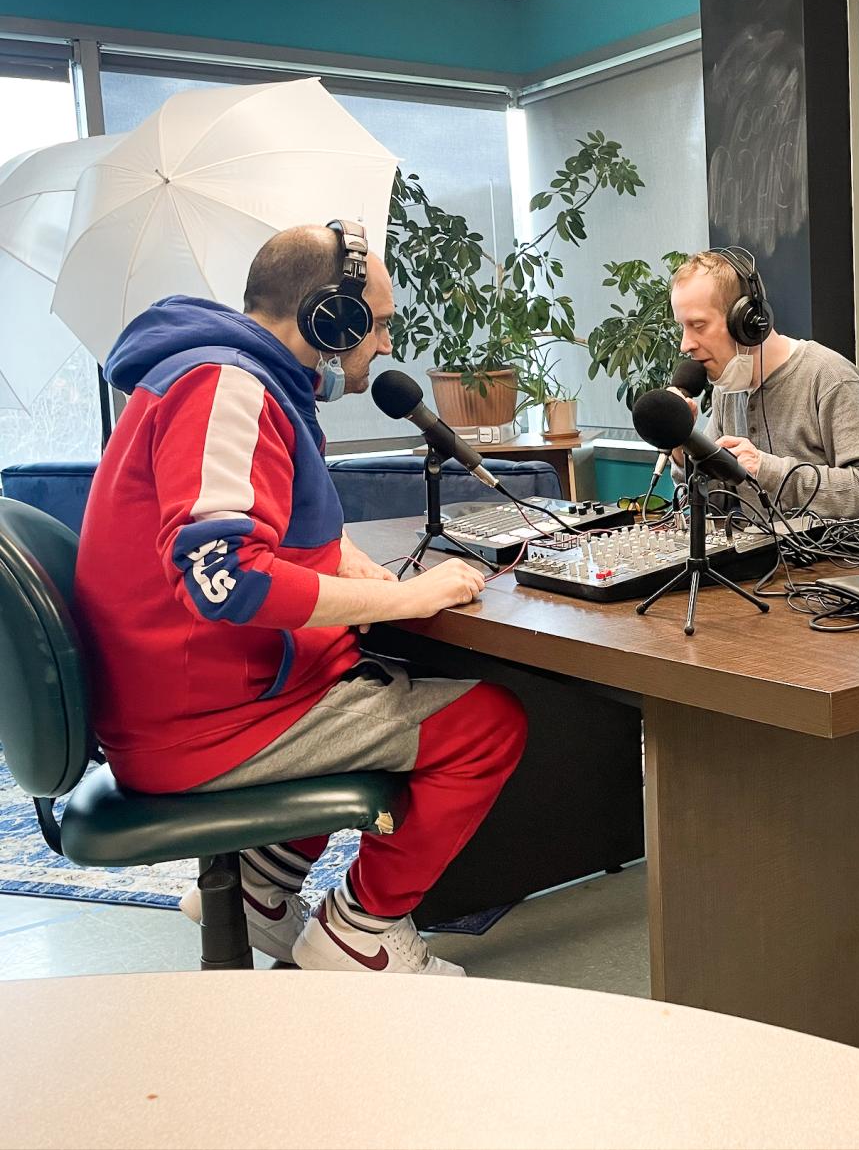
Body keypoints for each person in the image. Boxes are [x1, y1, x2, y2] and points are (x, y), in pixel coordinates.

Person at [74, 220, 527, 977]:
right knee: (485, 725)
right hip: (200, 723)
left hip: (181, 697)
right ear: (330, 317)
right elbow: (227, 577)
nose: (383, 344)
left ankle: (262, 891)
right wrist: (406, 599)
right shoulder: (226, 386)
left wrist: (341, 558)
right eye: (376, 323)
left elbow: (239, 529)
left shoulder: (225, 374)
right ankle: (360, 932)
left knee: (351, 664)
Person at [668, 249, 859, 519]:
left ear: (746, 320)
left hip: (835, 559)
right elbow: (714, 501)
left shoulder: (829, 378)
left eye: (698, 325)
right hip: (764, 558)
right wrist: (681, 444)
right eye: (682, 328)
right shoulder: (729, 389)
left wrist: (768, 471)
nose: (685, 344)